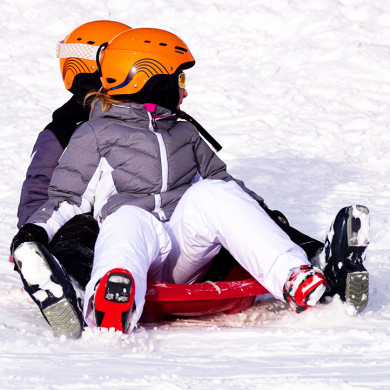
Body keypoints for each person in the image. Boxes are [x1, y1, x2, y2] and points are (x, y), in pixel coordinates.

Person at [11, 27, 369, 339]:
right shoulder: (94, 134)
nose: (185, 92)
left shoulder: (185, 133)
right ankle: (112, 296)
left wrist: (284, 229)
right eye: (178, 80)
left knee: (213, 192)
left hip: (186, 251)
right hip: (136, 247)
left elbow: (228, 191)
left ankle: (295, 278)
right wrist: (33, 234)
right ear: (149, 78)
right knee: (126, 217)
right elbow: (65, 198)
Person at [16, 20, 132, 289]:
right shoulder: (63, 130)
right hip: (73, 227)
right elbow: (38, 189)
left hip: (134, 223)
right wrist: (34, 234)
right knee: (82, 229)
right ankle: (67, 283)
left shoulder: (140, 119)